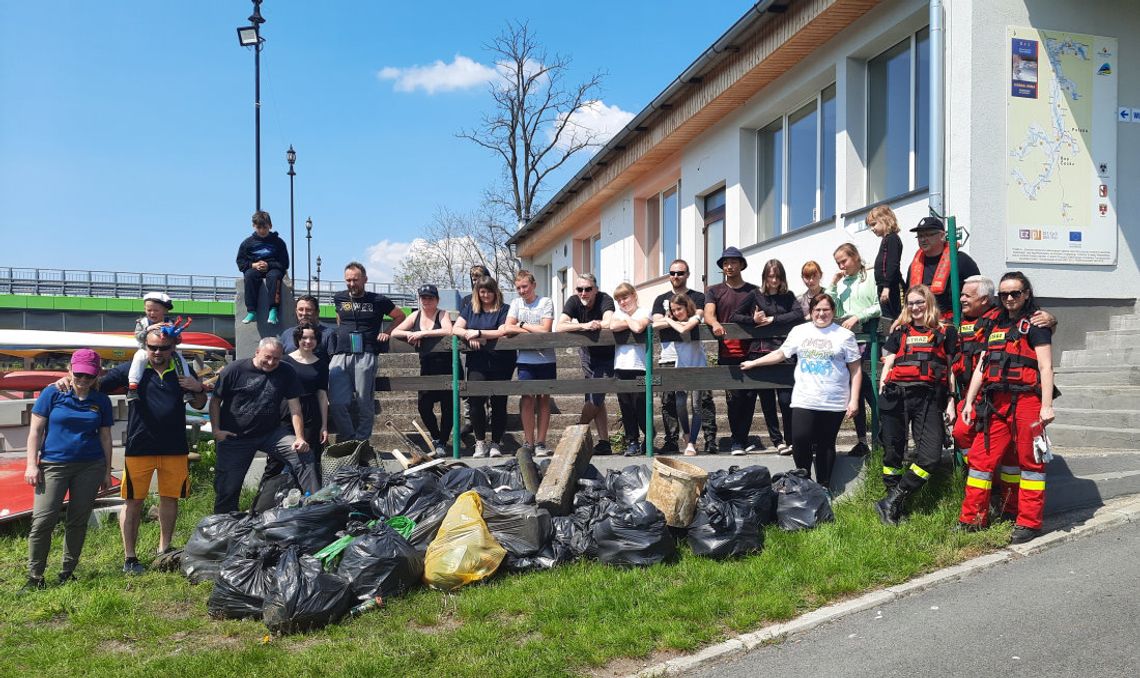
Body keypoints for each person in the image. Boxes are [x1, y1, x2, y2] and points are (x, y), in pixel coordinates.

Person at [959, 272, 1056, 544]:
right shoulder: (993, 323)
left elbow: (1046, 366)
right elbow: (982, 366)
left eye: (1015, 293)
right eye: (1004, 294)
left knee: (1030, 463)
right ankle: (972, 519)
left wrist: (1046, 406)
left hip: (1028, 401)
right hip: (995, 402)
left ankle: (1028, 523)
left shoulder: (1037, 323)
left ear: (1026, 294)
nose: (1010, 298)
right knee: (980, 460)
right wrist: (969, 402)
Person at [741, 294, 862, 491]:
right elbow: (781, 353)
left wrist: (854, 400)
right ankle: (803, 484)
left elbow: (855, 370)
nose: (821, 314)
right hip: (805, 398)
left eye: (826, 310)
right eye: (817, 310)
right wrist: (754, 362)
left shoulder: (845, 335)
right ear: (811, 311)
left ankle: (823, 487)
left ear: (833, 312)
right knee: (800, 440)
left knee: (826, 444)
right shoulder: (799, 331)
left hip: (834, 399)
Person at [23, 349, 114, 590]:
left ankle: (67, 571)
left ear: (97, 377)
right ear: (70, 370)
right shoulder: (52, 393)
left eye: (89, 377)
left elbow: (105, 437)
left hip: (90, 466)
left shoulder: (101, 400)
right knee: (43, 521)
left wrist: (106, 471)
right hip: (53, 465)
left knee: (78, 520)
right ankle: (35, 576)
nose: (83, 381)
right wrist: (31, 464)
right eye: (79, 375)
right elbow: (35, 431)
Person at [874, 285, 958, 525]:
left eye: (919, 302)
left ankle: (894, 499)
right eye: (910, 303)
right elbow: (889, 363)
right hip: (895, 395)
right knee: (893, 453)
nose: (915, 307)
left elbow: (950, 368)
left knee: (930, 456)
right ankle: (892, 507)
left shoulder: (945, 332)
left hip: (929, 397)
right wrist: (882, 389)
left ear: (929, 302)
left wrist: (951, 400)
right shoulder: (899, 331)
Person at [209, 337, 319, 514]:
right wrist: (216, 430)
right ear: (257, 352)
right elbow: (215, 402)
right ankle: (223, 523)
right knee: (228, 486)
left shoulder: (286, 371)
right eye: (267, 357)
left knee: (302, 453)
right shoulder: (234, 370)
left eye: (276, 358)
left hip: (271, 433)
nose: (271, 362)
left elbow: (295, 407)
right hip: (236, 436)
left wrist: (299, 437)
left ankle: (316, 506)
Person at [328, 262, 406, 442]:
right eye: (348, 280)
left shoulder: (378, 300)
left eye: (355, 280)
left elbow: (400, 315)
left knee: (364, 402)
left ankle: (362, 440)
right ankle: (349, 439)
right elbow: (339, 317)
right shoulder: (339, 298)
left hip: (366, 353)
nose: (351, 284)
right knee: (338, 402)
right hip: (340, 354)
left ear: (365, 279)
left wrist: (386, 333)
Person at [651, 259, 717, 454]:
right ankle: (674, 441)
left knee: (702, 402)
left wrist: (669, 320)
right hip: (669, 357)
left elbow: (695, 318)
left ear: (687, 274)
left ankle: (707, 440)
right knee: (670, 402)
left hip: (696, 359)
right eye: (672, 273)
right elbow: (655, 322)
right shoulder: (660, 298)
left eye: (680, 273)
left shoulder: (697, 296)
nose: (676, 276)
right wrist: (671, 321)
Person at [704, 246, 760, 455]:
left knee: (749, 397)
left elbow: (760, 314)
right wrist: (715, 324)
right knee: (734, 398)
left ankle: (743, 439)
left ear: (741, 264)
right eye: (725, 263)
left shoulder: (753, 291)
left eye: (733, 262)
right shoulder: (714, 290)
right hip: (727, 352)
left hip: (752, 351)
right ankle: (736, 440)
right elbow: (708, 314)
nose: (729, 266)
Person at [453, 276, 515, 458]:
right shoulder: (470, 309)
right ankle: (480, 442)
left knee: (499, 403)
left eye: (489, 291)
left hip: (501, 361)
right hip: (477, 362)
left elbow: (503, 331)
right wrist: (467, 335)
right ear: (477, 293)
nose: (486, 294)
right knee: (475, 403)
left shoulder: (505, 309)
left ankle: (495, 443)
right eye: (482, 291)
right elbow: (455, 328)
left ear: (495, 291)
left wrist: (480, 333)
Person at [828, 242, 880, 457]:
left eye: (844, 261)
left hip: (870, 340)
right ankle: (861, 441)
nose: (842, 266)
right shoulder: (843, 284)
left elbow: (879, 305)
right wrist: (832, 285)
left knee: (871, 391)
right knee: (853, 394)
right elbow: (835, 309)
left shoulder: (871, 277)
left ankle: (880, 439)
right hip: (848, 342)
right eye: (838, 263)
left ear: (856, 257)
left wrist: (860, 316)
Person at [391, 285, 454, 457]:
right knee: (424, 406)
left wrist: (422, 334)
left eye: (430, 298)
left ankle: (443, 441)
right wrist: (410, 335)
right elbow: (396, 331)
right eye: (423, 298)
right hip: (426, 367)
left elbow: (448, 330)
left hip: (446, 367)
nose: (426, 301)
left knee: (448, 408)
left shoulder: (443, 314)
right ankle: (435, 437)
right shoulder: (415, 315)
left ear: (437, 300)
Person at [749, 259, 802, 456]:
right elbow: (737, 316)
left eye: (777, 277)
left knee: (787, 400)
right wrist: (752, 320)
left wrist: (774, 319)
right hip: (762, 351)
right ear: (764, 277)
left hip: (785, 353)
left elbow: (798, 314)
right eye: (770, 276)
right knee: (767, 401)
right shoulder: (755, 295)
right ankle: (777, 440)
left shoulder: (787, 296)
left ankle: (790, 439)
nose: (773, 280)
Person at [558, 272, 615, 453]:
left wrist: (596, 323)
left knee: (595, 398)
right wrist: (584, 325)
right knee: (596, 398)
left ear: (595, 290)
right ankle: (604, 442)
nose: (583, 293)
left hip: (607, 354)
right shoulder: (574, 301)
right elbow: (559, 326)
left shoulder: (605, 299)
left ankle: (578, 430)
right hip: (587, 354)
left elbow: (609, 322)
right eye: (580, 289)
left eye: (588, 289)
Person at [503, 270, 556, 457]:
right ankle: (528, 441)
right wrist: (528, 329)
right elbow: (507, 327)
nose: (522, 291)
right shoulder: (516, 303)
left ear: (533, 285)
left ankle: (541, 442)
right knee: (527, 399)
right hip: (525, 359)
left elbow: (545, 330)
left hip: (546, 359)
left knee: (543, 399)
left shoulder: (546, 301)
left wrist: (522, 325)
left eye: (524, 286)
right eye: (518, 288)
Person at [653, 293, 707, 455]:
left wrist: (668, 320)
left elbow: (684, 328)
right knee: (680, 403)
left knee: (697, 405)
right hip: (681, 367)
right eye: (673, 310)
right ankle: (687, 434)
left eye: (679, 309)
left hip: (698, 367)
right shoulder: (673, 320)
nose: (677, 312)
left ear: (686, 306)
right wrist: (667, 320)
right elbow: (653, 325)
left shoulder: (695, 318)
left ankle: (691, 442)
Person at [906, 216, 980, 317]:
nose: (923, 239)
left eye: (928, 235)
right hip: (922, 320)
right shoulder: (914, 265)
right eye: (920, 236)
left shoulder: (961, 260)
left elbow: (978, 292)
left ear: (942, 236)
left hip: (953, 320)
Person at [280, 322, 329, 476]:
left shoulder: (321, 363)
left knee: (308, 455)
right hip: (286, 410)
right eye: (304, 338)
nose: (308, 341)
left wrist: (324, 425)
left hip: (311, 411)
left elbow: (322, 395)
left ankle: (305, 492)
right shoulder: (284, 361)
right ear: (297, 339)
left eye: (312, 338)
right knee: (282, 456)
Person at [126, 291, 193, 402]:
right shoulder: (142, 323)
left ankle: (186, 390)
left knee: (181, 361)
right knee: (138, 358)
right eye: (148, 310)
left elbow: (178, 340)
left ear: (165, 310)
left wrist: (175, 337)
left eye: (155, 310)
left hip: (168, 353)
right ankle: (132, 388)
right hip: (146, 350)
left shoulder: (171, 323)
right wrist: (148, 329)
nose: (152, 313)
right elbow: (138, 337)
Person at [610, 283, 651, 457]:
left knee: (640, 405)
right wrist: (626, 319)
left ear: (634, 295)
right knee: (625, 406)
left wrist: (626, 320)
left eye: (625, 297)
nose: (622, 302)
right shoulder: (617, 313)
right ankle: (632, 441)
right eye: (619, 300)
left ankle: (648, 437)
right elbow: (612, 326)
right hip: (621, 366)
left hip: (639, 366)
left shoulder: (644, 311)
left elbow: (638, 327)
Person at [236, 210, 290, 325]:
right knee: (249, 275)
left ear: (270, 226)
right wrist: (253, 265)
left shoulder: (279, 243)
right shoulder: (247, 243)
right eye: (258, 227)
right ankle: (251, 311)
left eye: (264, 227)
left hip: (274, 268)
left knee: (274, 276)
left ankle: (273, 310)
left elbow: (285, 263)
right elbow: (240, 262)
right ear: (254, 226)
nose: (262, 230)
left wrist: (269, 265)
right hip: (255, 269)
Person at [868, 205, 904, 320]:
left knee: (893, 317)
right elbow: (884, 262)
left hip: (891, 286)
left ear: (885, 220)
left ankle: (896, 337)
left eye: (874, 224)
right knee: (887, 317)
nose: (872, 229)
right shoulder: (886, 239)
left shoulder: (892, 239)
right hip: (883, 286)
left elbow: (893, 263)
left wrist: (887, 287)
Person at [280, 295, 336, 360]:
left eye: (308, 310)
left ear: (317, 312)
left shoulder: (328, 334)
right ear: (296, 311)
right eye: (300, 309)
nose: (304, 313)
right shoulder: (287, 334)